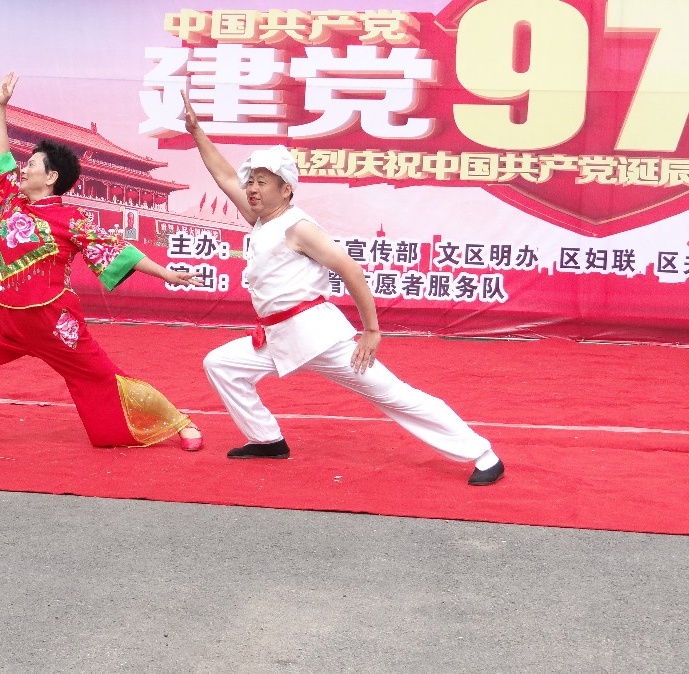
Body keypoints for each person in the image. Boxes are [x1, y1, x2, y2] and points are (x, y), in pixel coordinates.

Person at [181, 92, 504, 486]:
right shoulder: (263, 221)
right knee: (221, 364)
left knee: (392, 394)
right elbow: (225, 176)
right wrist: (197, 132)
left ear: (286, 190)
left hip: (318, 338)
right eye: (252, 182)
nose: (251, 188)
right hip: (277, 336)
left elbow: (351, 271)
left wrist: (371, 330)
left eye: (262, 182)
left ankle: (482, 454)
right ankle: (266, 440)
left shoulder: (299, 227)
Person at [0, 72, 203, 451]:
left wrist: (166, 272)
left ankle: (179, 421)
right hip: (2, 323)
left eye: (32, 164)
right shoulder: (12, 201)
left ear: (51, 176)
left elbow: (118, 251)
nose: (24, 168)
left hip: (53, 323)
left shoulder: (71, 219)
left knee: (104, 379)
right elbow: (1, 159)